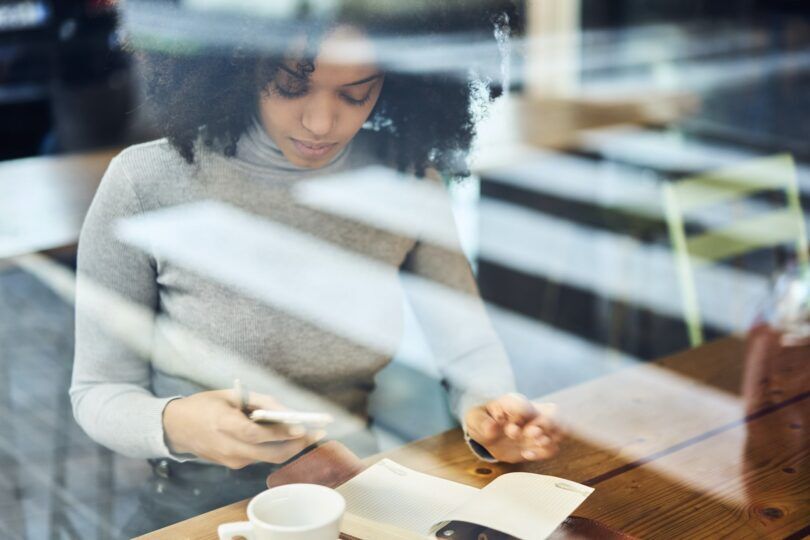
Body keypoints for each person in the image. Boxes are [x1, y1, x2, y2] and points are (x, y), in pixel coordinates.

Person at [70, 3, 562, 534]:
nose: (322, 122)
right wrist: (177, 424)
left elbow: (467, 347)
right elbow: (98, 391)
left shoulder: (405, 177)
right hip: (202, 503)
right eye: (289, 87)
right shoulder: (146, 183)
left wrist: (491, 410)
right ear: (236, 65)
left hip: (358, 487)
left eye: (357, 94)